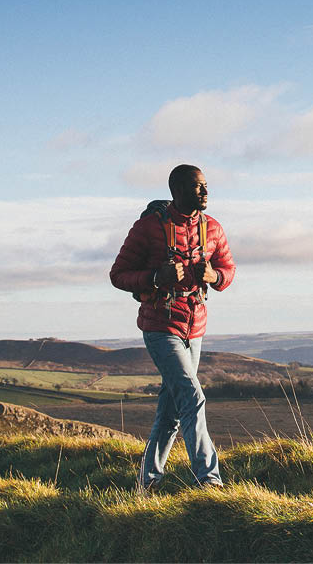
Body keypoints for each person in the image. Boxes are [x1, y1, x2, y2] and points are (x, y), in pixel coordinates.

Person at [110, 164, 235, 489]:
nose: (206, 192)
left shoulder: (214, 229)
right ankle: (208, 481)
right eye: (198, 187)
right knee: (192, 397)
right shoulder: (147, 228)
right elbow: (119, 274)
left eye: (206, 185)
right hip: (160, 326)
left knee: (171, 414)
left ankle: (147, 482)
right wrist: (155, 278)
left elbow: (228, 267)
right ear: (177, 191)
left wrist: (215, 277)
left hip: (195, 328)